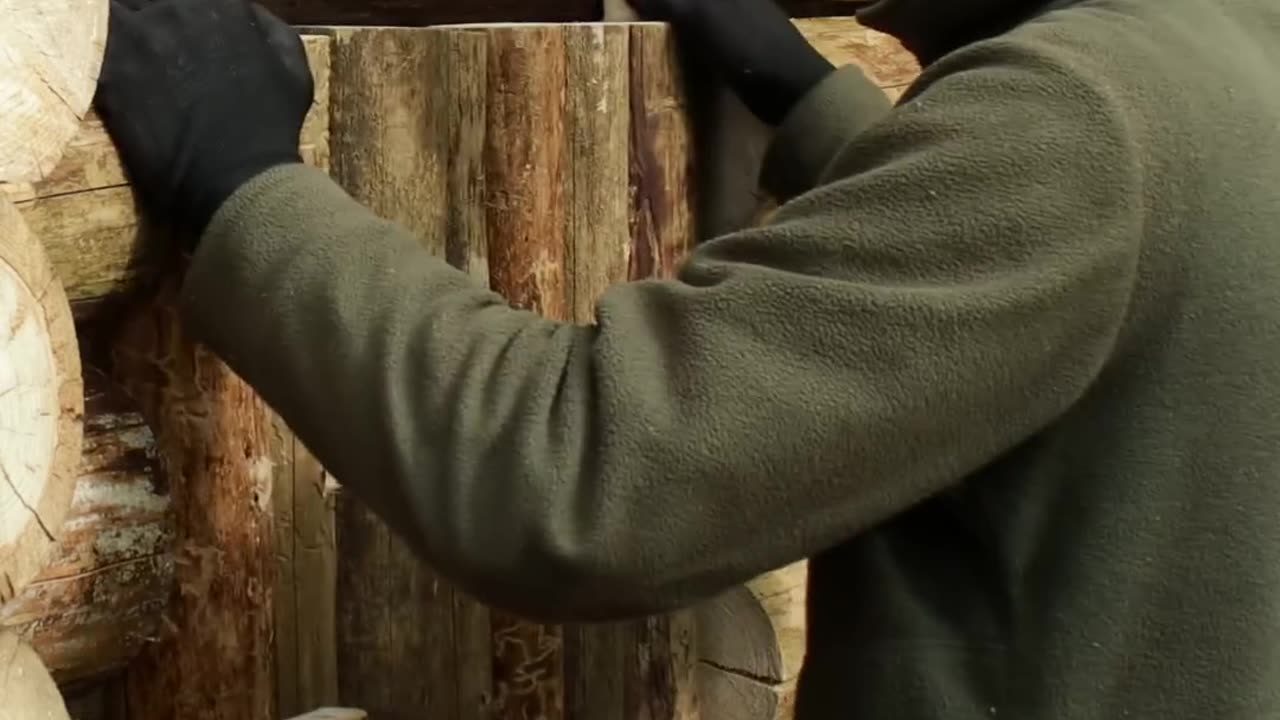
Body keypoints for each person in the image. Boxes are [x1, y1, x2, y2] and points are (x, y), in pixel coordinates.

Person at [94, 0, 1280, 716]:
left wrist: (249, 184)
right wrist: (804, 98)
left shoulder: (1078, 118)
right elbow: (1092, 273)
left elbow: (583, 478)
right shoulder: (1222, 66)